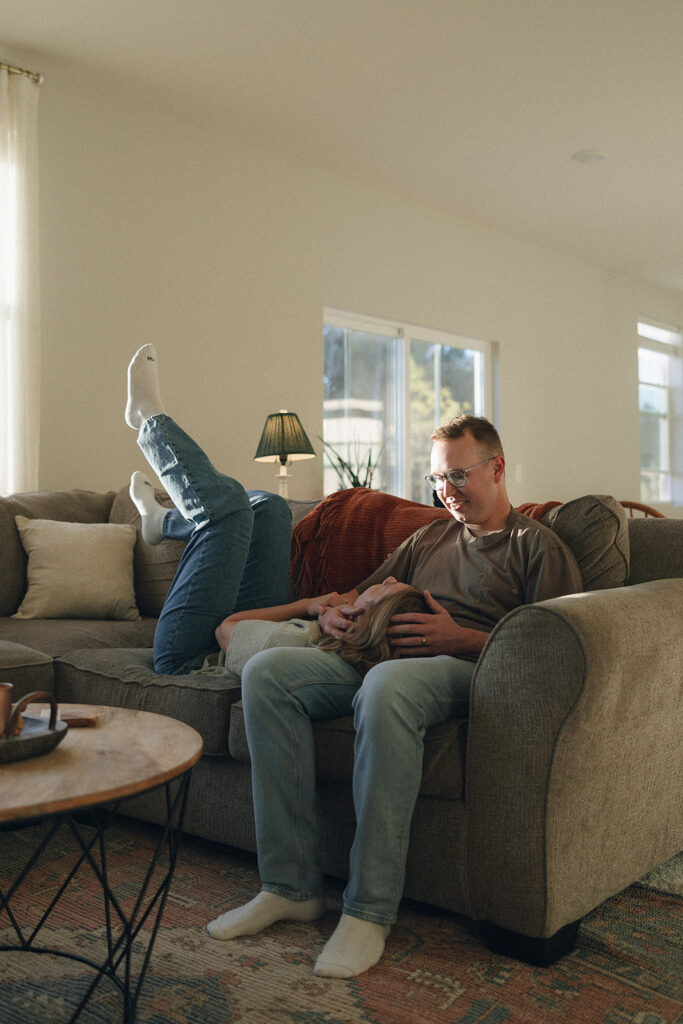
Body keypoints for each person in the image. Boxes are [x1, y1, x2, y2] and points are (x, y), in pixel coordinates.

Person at [126, 344, 583, 980]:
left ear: (498, 468)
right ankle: (288, 887)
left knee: (389, 687)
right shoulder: (431, 536)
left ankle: (368, 910)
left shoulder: (536, 545)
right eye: (437, 479)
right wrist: (335, 615)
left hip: (462, 667)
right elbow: (362, 594)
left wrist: (465, 639)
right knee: (268, 673)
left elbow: (559, 642)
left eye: (458, 475)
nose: (445, 490)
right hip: (379, 652)